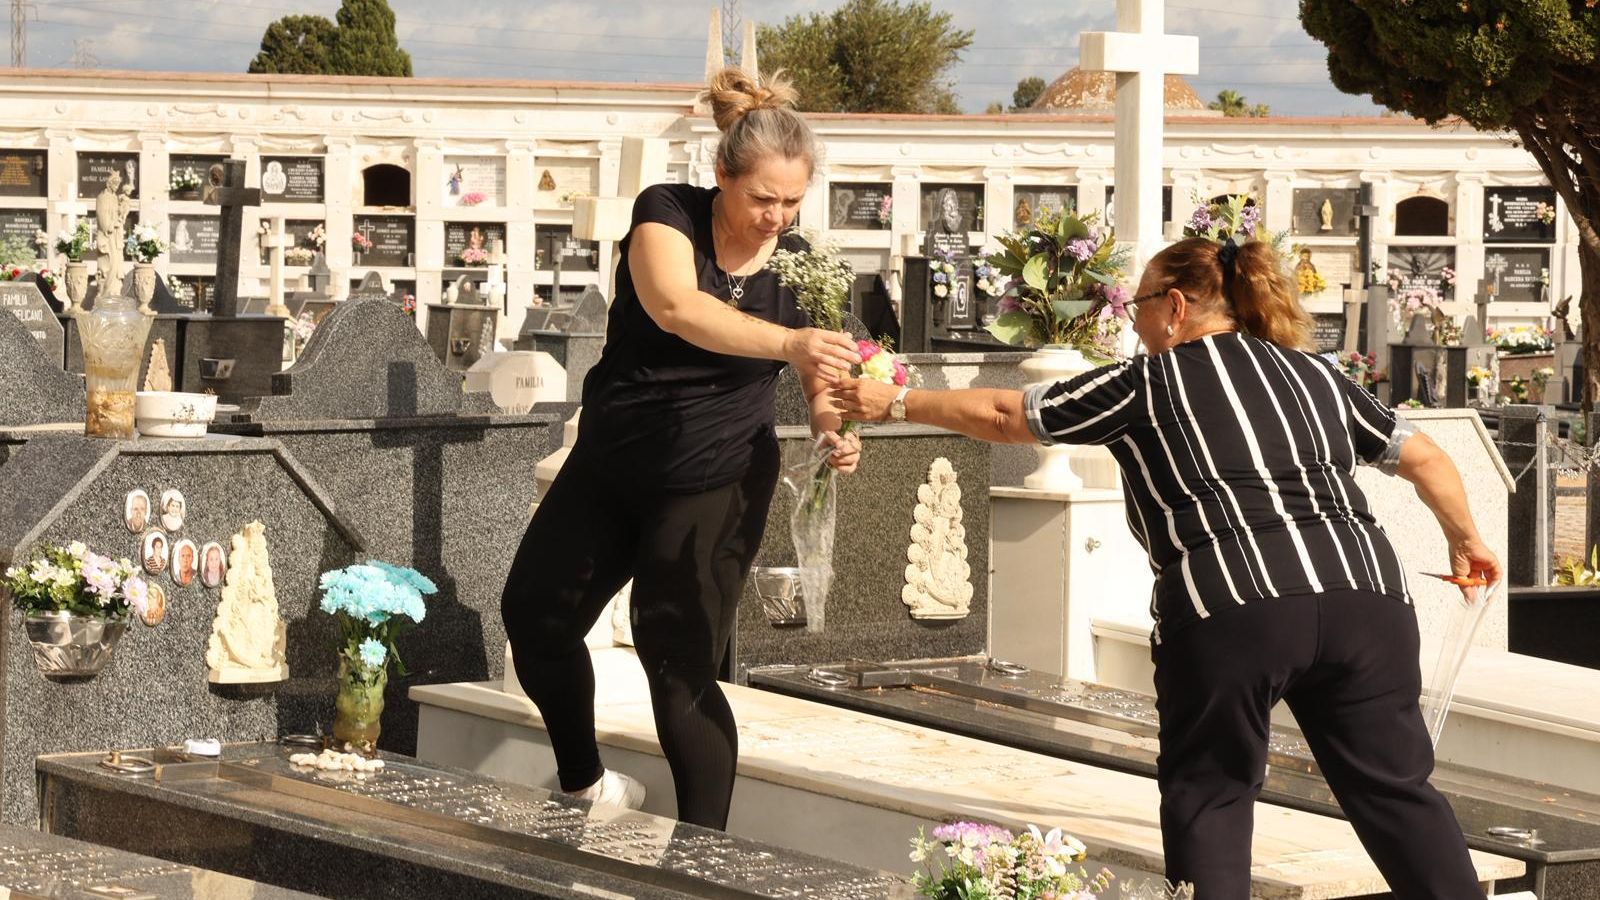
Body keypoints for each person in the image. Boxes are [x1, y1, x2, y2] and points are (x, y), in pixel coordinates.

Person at [832, 236, 1499, 899]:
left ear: (1175, 306)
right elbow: (1427, 458)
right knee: (1395, 792)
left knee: (1210, 793)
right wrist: (1466, 540)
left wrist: (894, 401)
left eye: (1138, 306)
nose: (1132, 321)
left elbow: (1011, 415)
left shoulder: (1149, 382)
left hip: (1237, 599)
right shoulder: (1315, 373)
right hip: (1366, 600)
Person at [500, 66, 863, 830]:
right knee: (535, 618)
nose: (777, 217)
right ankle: (586, 786)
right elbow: (675, 308)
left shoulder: (808, 270)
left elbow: (824, 376)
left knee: (678, 668)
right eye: (763, 197)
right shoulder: (666, 212)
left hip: (714, 480)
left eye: (793, 201)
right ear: (721, 174)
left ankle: (705, 857)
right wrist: (790, 341)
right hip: (612, 465)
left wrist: (835, 428)